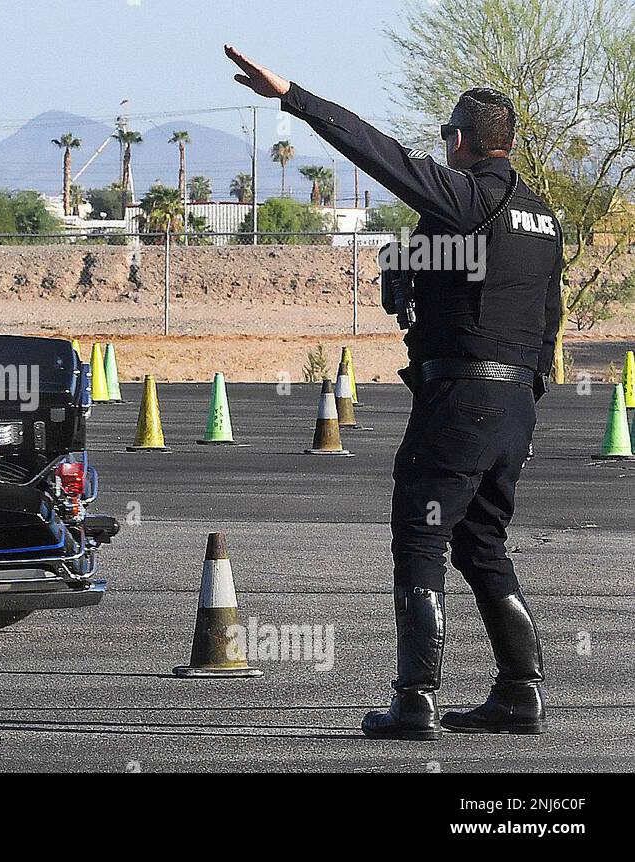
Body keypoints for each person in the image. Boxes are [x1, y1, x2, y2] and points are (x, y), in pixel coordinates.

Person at [226, 45, 562, 738]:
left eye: (445, 138)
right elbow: (548, 318)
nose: (441, 149)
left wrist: (292, 95)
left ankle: (415, 699)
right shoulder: (543, 219)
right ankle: (520, 691)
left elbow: (377, 152)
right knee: (482, 543)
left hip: (462, 399)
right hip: (516, 407)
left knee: (421, 536)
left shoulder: (467, 196)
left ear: (461, 141)